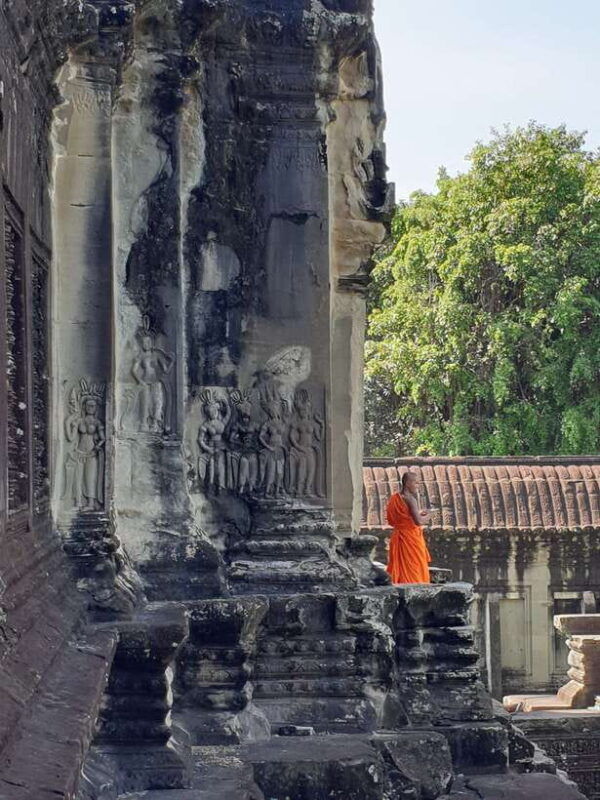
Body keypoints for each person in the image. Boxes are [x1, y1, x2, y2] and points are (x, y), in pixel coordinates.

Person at [386, 470, 432, 584]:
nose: (417, 485)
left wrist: (419, 514)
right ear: (407, 483)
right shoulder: (411, 499)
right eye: (415, 483)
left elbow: (401, 518)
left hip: (398, 535)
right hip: (410, 538)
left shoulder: (395, 497)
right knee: (414, 566)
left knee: (402, 566)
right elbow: (418, 522)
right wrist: (429, 515)